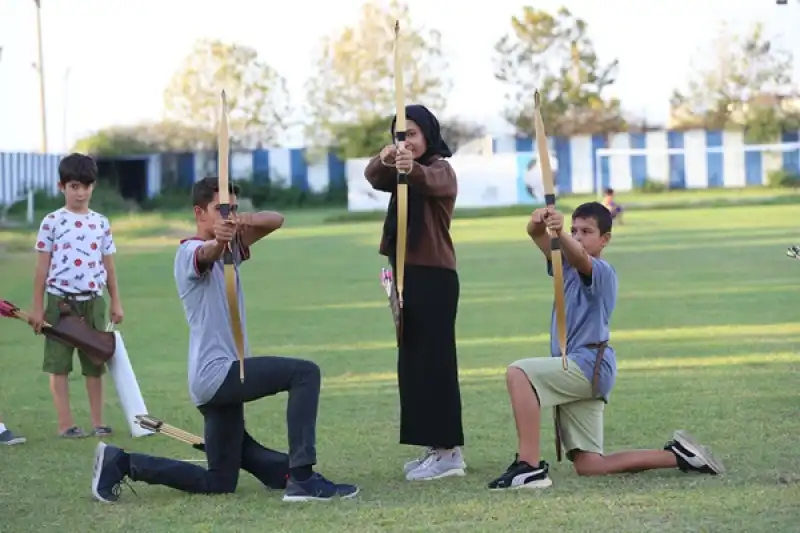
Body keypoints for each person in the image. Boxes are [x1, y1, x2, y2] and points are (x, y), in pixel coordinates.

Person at [90, 177, 359, 503]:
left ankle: (122, 463)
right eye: (219, 209)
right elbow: (207, 253)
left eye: (231, 207)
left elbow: (276, 220)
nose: (227, 215)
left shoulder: (232, 245)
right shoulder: (189, 252)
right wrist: (220, 240)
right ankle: (302, 479)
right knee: (305, 373)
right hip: (217, 374)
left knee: (219, 480)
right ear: (199, 212)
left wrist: (238, 221)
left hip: (215, 385)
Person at [487, 202, 725, 490]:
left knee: (518, 373)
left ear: (605, 239)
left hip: (588, 366)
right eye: (574, 230)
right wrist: (538, 222)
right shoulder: (564, 266)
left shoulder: (601, 271)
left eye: (586, 231)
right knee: (590, 465)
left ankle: (528, 467)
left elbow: (580, 258)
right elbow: (537, 235)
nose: (578, 236)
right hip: (582, 368)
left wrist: (560, 233)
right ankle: (679, 456)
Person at [364, 104, 466, 481]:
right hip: (405, 274)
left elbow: (433, 182)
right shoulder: (399, 171)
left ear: (428, 135)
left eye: (412, 134)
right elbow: (374, 176)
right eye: (398, 135)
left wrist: (410, 167)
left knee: (435, 363)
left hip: (434, 277)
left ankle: (448, 452)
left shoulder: (439, 168)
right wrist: (386, 157)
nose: (405, 141)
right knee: (413, 363)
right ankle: (433, 445)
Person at [29, 153, 123, 438]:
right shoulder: (52, 222)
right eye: (74, 186)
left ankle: (98, 423)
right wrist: (37, 308)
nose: (80, 192)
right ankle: (66, 424)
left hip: (93, 301)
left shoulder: (101, 222)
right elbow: (41, 268)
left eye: (86, 186)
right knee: (59, 365)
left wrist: (116, 301)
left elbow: (109, 266)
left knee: (95, 363)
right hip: (59, 303)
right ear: (62, 186)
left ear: (93, 186)